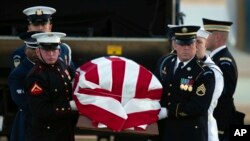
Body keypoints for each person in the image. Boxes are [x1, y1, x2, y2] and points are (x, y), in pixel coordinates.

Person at [155, 25, 216, 141]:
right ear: (175, 45)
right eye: (182, 44)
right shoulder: (165, 63)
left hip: (190, 133)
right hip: (165, 130)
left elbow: (199, 106)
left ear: (195, 46)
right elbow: (155, 88)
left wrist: (168, 111)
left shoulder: (204, 73)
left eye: (190, 44)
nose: (186, 48)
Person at [24, 32, 77, 141]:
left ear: (59, 51)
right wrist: (70, 106)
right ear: (38, 52)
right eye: (46, 50)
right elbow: (41, 111)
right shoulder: (36, 76)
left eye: (54, 50)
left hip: (65, 130)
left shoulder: (61, 64)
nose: (51, 54)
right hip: (46, 134)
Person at [202, 18, 245, 141]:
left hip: (222, 124)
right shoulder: (216, 59)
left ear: (217, 37)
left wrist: (220, 128)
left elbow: (224, 97)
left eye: (206, 35)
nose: (203, 38)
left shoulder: (224, 61)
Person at [10, 6, 75, 70]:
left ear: (50, 27)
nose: (40, 28)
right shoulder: (19, 53)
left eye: (44, 24)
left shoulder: (64, 49)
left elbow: (72, 74)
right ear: (29, 28)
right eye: (36, 24)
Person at [8, 31, 41, 141]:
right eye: (32, 49)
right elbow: (23, 102)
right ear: (25, 50)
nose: (36, 53)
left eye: (39, 49)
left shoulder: (50, 68)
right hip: (29, 120)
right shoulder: (18, 73)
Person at [196, 28, 224, 141]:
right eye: (191, 42)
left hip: (205, 129)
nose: (195, 46)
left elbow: (206, 104)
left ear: (206, 44)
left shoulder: (213, 71)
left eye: (199, 42)